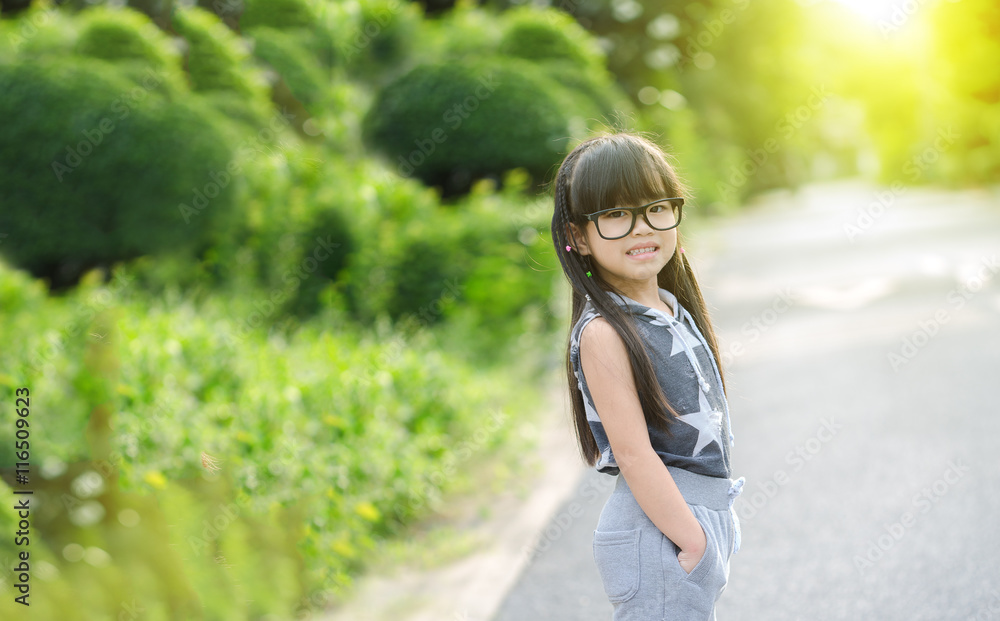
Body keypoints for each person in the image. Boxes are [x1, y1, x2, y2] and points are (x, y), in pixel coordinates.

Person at [550, 131, 745, 620]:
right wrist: (694, 541)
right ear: (578, 237)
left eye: (656, 207)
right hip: (659, 529)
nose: (642, 228)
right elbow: (635, 456)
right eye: (615, 214)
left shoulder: (670, 310)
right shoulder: (604, 333)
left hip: (687, 520)